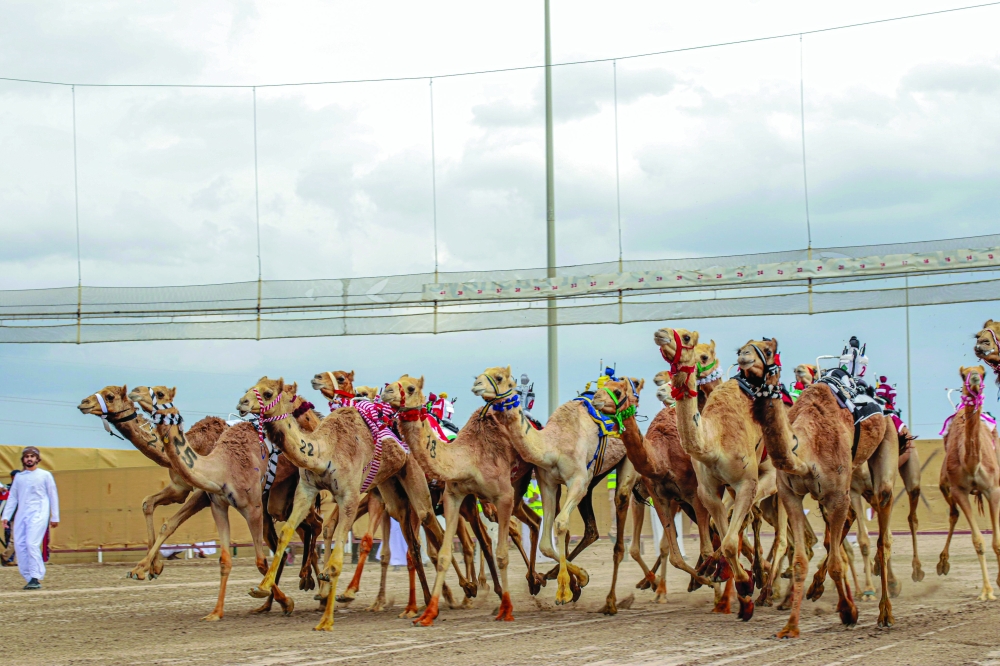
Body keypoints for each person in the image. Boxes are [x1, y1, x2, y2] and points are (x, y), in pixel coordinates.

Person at [1, 447, 60, 590]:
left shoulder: (45, 475)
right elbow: (13, 497)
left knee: (31, 544)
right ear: (23, 459)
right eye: (27, 456)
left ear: (37, 459)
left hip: (39, 513)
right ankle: (28, 577)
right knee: (20, 545)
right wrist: (6, 517)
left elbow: (53, 495)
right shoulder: (20, 477)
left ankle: (36, 576)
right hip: (22, 514)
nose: (29, 459)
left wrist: (55, 516)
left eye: (32, 456)